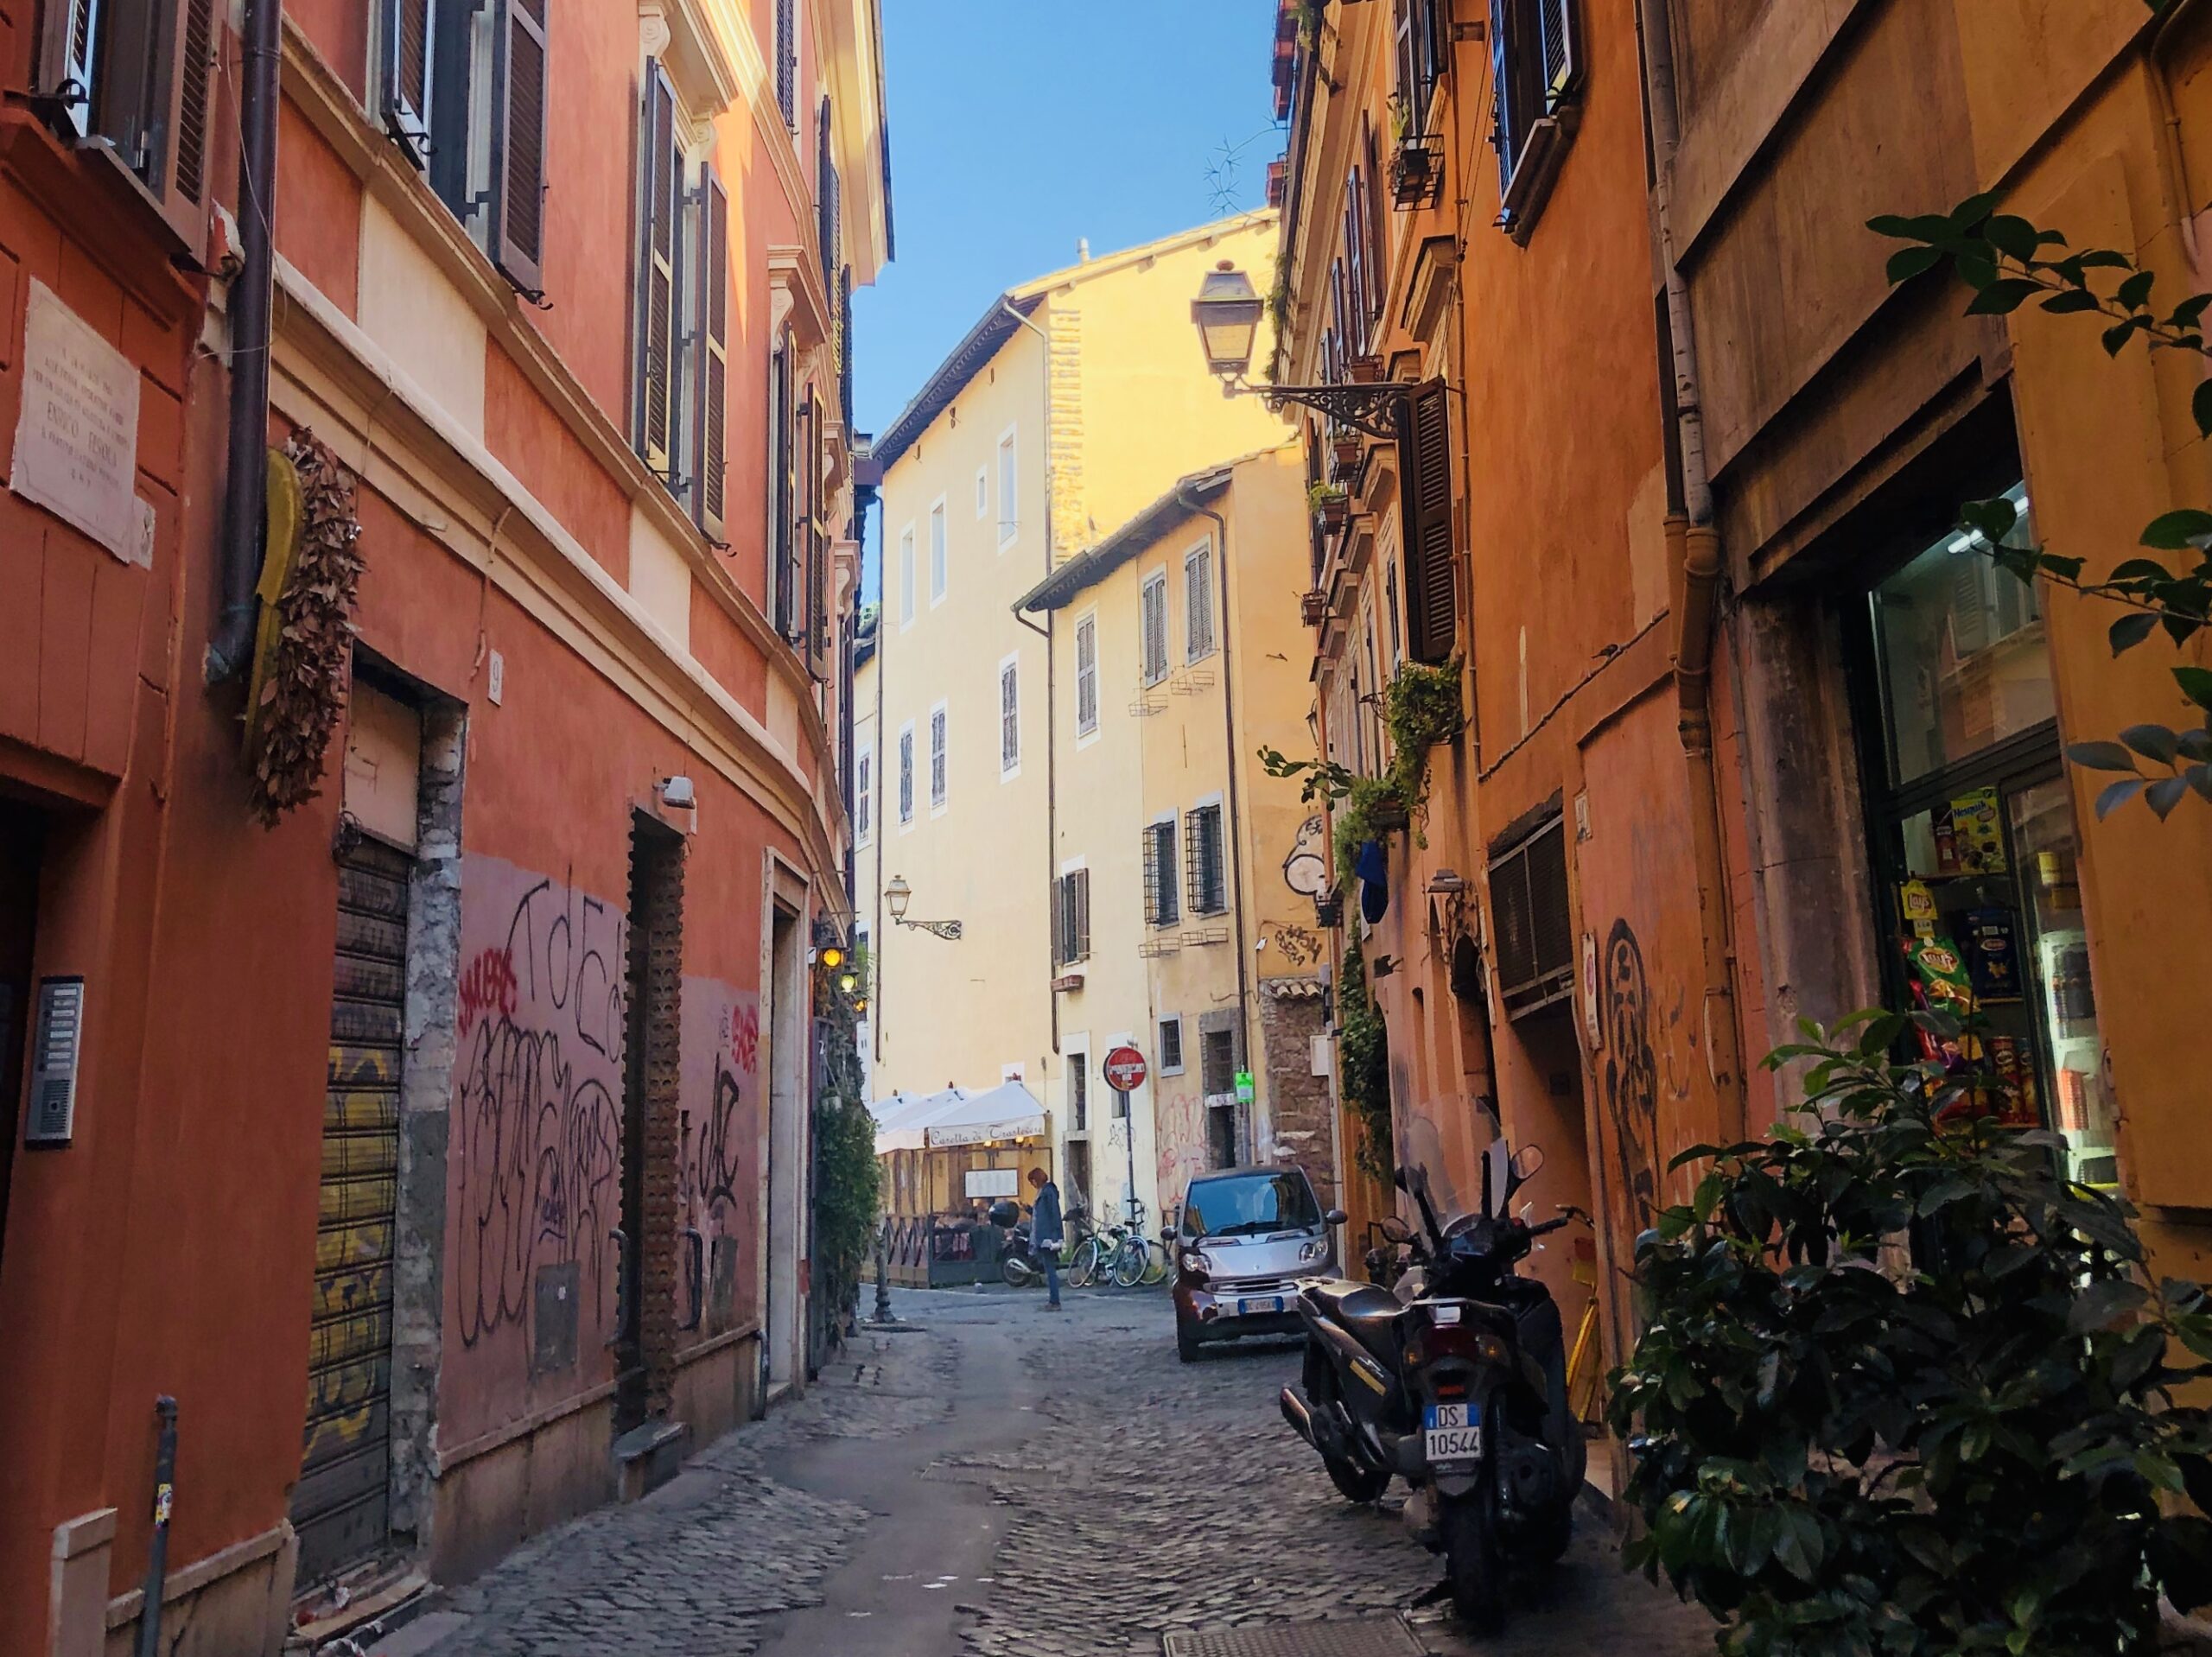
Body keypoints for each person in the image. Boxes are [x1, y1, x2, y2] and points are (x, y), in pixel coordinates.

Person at [1027, 1166, 1063, 1311]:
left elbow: (1054, 1214)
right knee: (1049, 1269)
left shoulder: (1047, 1193)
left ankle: (1055, 1301)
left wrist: (1056, 1237)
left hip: (1048, 1237)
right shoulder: (1044, 1193)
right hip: (1044, 1236)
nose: (1033, 1185)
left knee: (1050, 1270)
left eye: (1033, 1181)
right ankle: (1053, 1300)